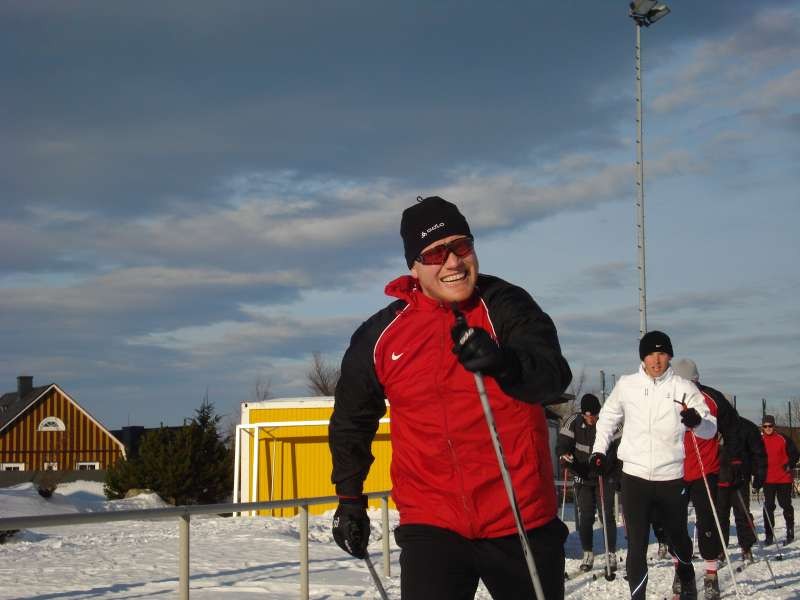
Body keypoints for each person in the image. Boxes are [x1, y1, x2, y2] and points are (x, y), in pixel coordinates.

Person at [328, 196, 572, 600]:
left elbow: (551, 375)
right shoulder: (380, 337)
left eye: (462, 246)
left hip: (520, 520)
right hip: (432, 526)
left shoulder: (505, 304)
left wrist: (505, 364)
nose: (453, 262)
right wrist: (349, 498)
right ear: (414, 266)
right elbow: (352, 420)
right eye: (435, 253)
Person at [590, 331, 717, 600]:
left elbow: (710, 428)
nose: (656, 360)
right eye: (650, 354)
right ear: (642, 358)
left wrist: (697, 422)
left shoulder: (684, 387)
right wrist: (598, 450)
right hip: (634, 477)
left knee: (678, 539)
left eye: (661, 354)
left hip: (671, 477)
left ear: (669, 356)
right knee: (636, 545)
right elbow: (608, 418)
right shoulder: (627, 385)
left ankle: (686, 576)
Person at [671, 358, 741, 600]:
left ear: (696, 381)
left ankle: (711, 574)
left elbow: (733, 428)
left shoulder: (712, 399)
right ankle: (681, 572)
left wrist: (733, 459)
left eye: (689, 383)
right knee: (675, 524)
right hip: (675, 471)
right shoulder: (667, 399)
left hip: (705, 469)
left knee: (707, 522)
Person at [556, 393, 621, 573]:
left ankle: (611, 553)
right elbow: (562, 445)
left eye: (594, 415)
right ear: (582, 414)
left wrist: (615, 473)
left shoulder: (610, 422)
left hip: (604, 475)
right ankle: (588, 553)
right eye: (587, 416)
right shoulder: (573, 422)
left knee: (606, 514)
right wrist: (564, 456)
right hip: (582, 475)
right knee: (585, 515)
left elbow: (621, 449)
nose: (591, 419)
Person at [717, 416, 766, 562]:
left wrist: (758, 473)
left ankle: (746, 547)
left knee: (742, 514)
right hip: (720, 479)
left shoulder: (746, 426)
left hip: (740, 479)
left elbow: (758, 452)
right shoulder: (713, 426)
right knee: (720, 516)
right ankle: (720, 549)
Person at [760, 414, 799, 546]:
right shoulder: (759, 441)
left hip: (783, 479)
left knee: (785, 504)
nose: (768, 428)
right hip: (768, 479)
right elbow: (754, 456)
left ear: (774, 426)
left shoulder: (783, 439)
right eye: (765, 426)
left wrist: (789, 465)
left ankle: (790, 531)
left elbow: (795, 454)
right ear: (762, 427)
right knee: (768, 506)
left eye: (770, 426)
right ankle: (769, 534)